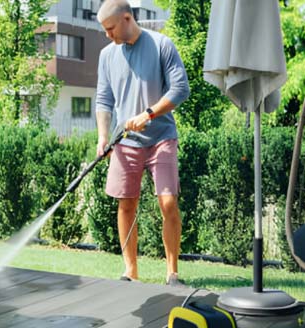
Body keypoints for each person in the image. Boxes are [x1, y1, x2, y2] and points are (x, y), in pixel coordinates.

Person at [94, 0, 190, 287]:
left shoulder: (162, 44)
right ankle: (130, 271)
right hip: (125, 142)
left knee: (168, 202)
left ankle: (172, 273)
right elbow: (103, 99)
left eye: (110, 28)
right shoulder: (106, 55)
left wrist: (149, 113)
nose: (107, 35)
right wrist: (102, 136)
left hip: (162, 137)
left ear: (126, 18)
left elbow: (181, 88)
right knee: (126, 204)